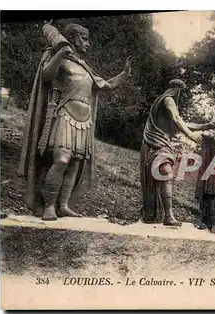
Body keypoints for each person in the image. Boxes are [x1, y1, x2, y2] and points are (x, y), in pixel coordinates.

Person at [19, 22, 132, 221]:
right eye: (85, 38)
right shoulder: (60, 57)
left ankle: (64, 205)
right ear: (74, 38)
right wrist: (60, 54)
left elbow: (106, 85)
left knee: (74, 165)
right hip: (65, 116)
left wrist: (124, 74)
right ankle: (49, 206)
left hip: (85, 121)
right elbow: (46, 75)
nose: (88, 43)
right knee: (61, 160)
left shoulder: (85, 67)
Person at [140, 79, 215, 226]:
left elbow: (184, 124)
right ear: (177, 90)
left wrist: (205, 126)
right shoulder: (168, 100)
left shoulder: (161, 101)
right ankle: (168, 216)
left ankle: (162, 214)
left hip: (158, 145)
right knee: (166, 174)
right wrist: (190, 135)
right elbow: (177, 118)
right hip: (157, 144)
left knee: (162, 177)